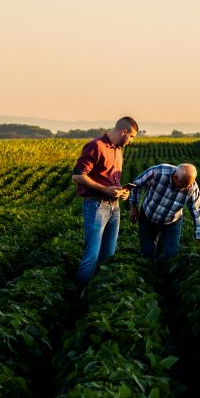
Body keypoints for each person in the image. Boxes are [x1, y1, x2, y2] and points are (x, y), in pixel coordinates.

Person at [71, 116, 139, 284]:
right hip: (96, 206)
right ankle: (80, 296)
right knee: (91, 256)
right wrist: (105, 190)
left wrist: (122, 192)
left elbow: (110, 180)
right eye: (131, 137)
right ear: (124, 132)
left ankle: (99, 291)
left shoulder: (118, 150)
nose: (131, 141)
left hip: (114, 207)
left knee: (108, 255)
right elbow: (78, 176)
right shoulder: (96, 146)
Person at [128, 163, 200, 261]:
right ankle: (151, 269)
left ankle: (168, 271)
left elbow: (197, 210)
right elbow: (136, 185)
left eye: (189, 184)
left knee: (172, 253)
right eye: (184, 184)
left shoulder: (192, 187)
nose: (186, 187)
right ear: (176, 177)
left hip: (172, 221)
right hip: (148, 216)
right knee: (148, 252)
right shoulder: (157, 172)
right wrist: (134, 207)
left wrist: (199, 235)